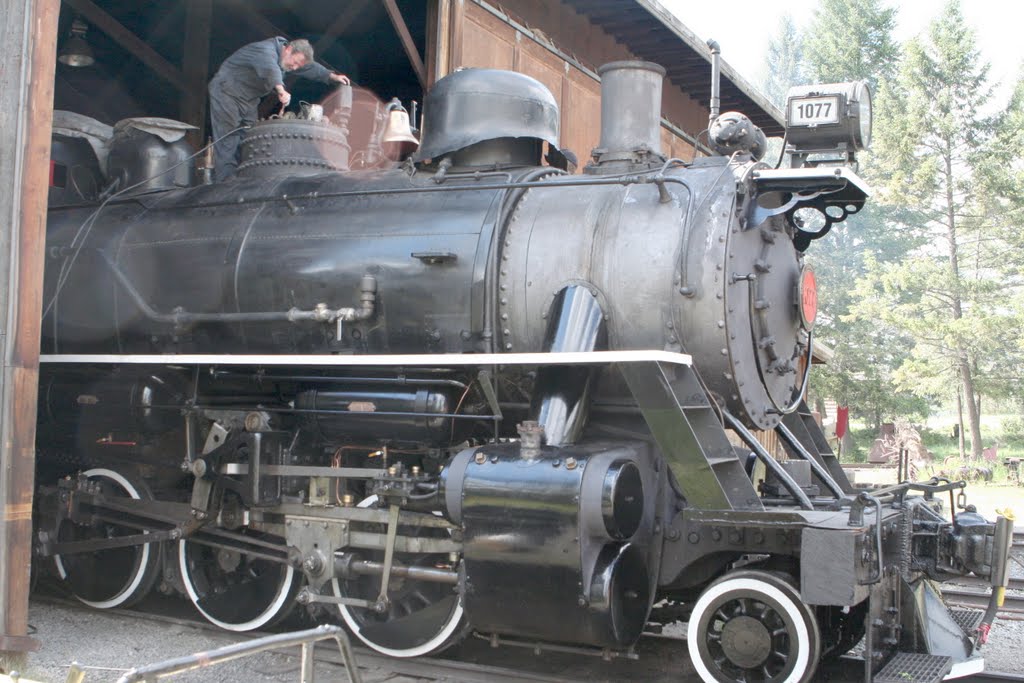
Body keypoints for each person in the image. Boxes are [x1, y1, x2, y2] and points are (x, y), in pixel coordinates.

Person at [208, 37, 350, 181]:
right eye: (294, 63)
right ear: (288, 49)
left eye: (297, 66)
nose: (294, 68)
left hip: (248, 100)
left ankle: (243, 177)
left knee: (247, 138)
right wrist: (281, 90)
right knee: (228, 137)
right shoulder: (265, 50)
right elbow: (271, 69)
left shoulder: (288, 58)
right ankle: (225, 181)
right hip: (226, 92)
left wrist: (332, 76)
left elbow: (309, 67)